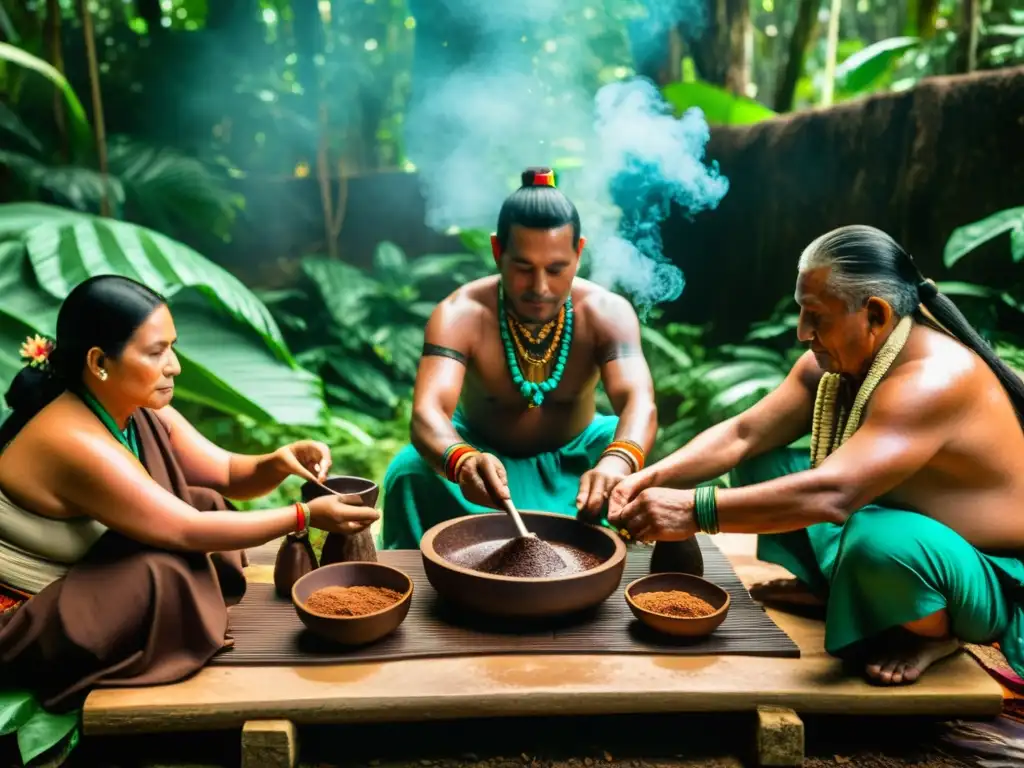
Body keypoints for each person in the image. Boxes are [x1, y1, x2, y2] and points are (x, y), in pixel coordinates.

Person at [607, 224, 1024, 686]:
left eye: (817, 317)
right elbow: (744, 435)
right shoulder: (838, 362)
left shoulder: (931, 380)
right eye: (800, 312)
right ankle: (843, 593)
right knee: (763, 465)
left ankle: (935, 632)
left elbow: (835, 494)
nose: (804, 333)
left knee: (876, 542)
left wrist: (694, 510)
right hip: (888, 518)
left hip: (985, 573)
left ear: (876, 315)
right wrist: (650, 477)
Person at [0, 275, 378, 765]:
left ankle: (189, 612)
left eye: (172, 348)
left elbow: (224, 471)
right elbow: (185, 530)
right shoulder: (73, 439)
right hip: (24, 613)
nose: (174, 366)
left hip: (89, 567)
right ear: (99, 363)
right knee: (164, 568)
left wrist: (277, 461)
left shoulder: (135, 409)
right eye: (156, 352)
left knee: (204, 500)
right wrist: (304, 514)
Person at [381, 167, 657, 549]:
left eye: (557, 269)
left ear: (578, 253)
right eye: (523, 268)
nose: (540, 287)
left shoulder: (606, 312)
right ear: (498, 252)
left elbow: (639, 402)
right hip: (480, 469)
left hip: (579, 465)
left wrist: (616, 463)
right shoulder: (460, 313)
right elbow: (428, 412)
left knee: (630, 459)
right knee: (410, 471)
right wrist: (463, 461)